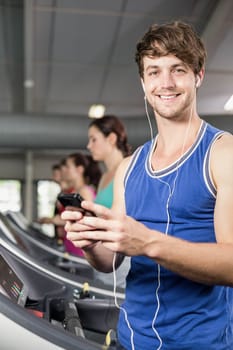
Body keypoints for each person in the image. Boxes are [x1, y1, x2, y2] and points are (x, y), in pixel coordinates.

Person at [61, 21, 233, 349]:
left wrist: (149, 243)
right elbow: (109, 260)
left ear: (199, 75)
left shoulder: (223, 154)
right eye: (153, 72)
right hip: (132, 339)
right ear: (143, 82)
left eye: (177, 69)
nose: (165, 83)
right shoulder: (130, 167)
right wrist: (89, 241)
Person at [87, 115, 132, 287]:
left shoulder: (129, 168)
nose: (89, 146)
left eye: (93, 139)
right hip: (102, 252)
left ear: (111, 138)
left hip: (123, 256)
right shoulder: (104, 176)